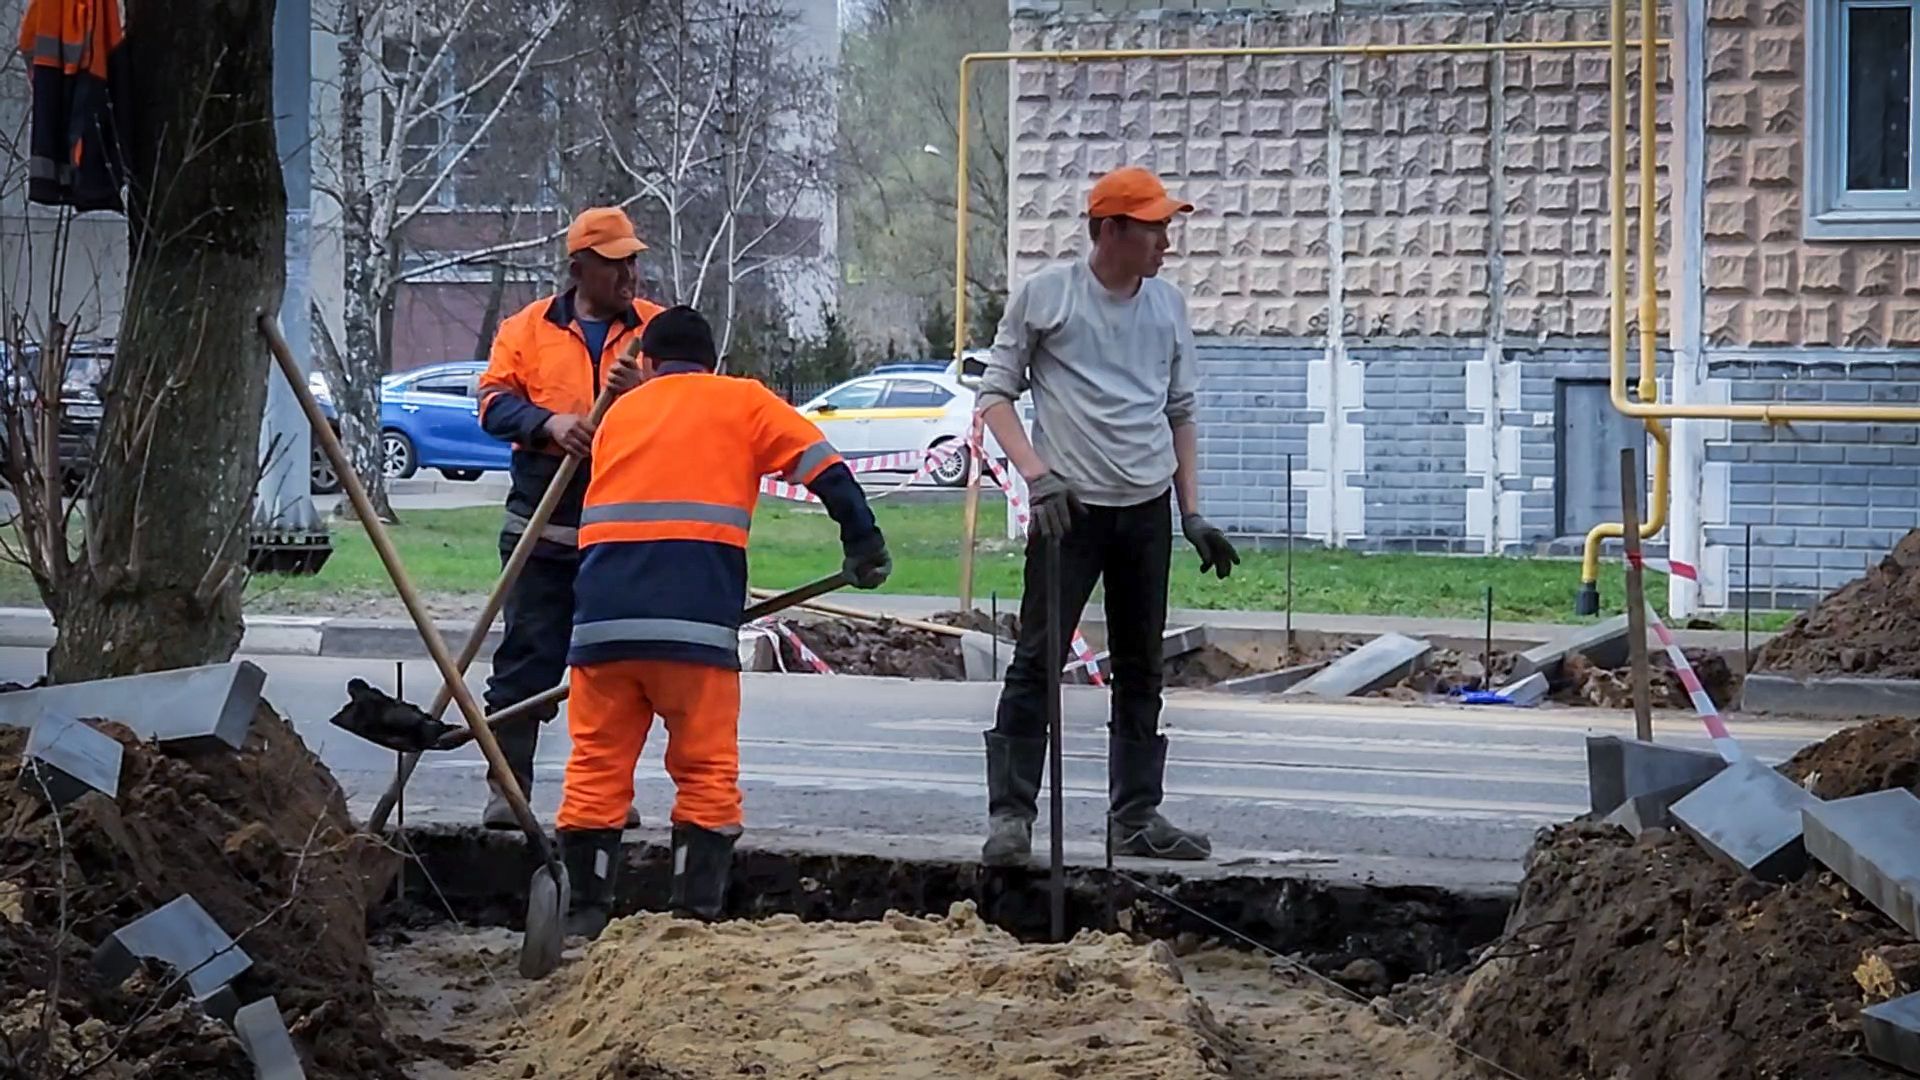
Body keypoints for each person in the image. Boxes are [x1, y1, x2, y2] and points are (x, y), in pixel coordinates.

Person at [557, 305, 890, 936]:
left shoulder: (619, 414)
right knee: (706, 769)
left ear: (649, 364)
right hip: (694, 629)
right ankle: (691, 919)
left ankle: (581, 918)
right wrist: (863, 542)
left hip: (602, 625)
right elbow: (827, 468)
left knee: (596, 766)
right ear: (713, 363)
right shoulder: (743, 401)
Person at [974, 165, 1240, 866]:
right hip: (1073, 512)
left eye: (1167, 228)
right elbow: (995, 397)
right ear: (1110, 229)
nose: (1166, 244)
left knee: (1142, 665)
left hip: (1145, 510)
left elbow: (1179, 411)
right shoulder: (1049, 298)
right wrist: (1039, 477)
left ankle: (1135, 815)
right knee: (1038, 659)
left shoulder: (1166, 307)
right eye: (1155, 228)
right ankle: (1011, 816)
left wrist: (1192, 511)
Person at [474, 206, 664, 829]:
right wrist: (548, 423)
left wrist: (641, 396)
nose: (629, 274)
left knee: (611, 666)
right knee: (527, 659)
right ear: (579, 267)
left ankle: (605, 796)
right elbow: (493, 404)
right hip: (542, 522)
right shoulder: (526, 329)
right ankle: (508, 789)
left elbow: (692, 404)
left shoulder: (656, 334)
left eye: (633, 260)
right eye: (615, 263)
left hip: (621, 526)